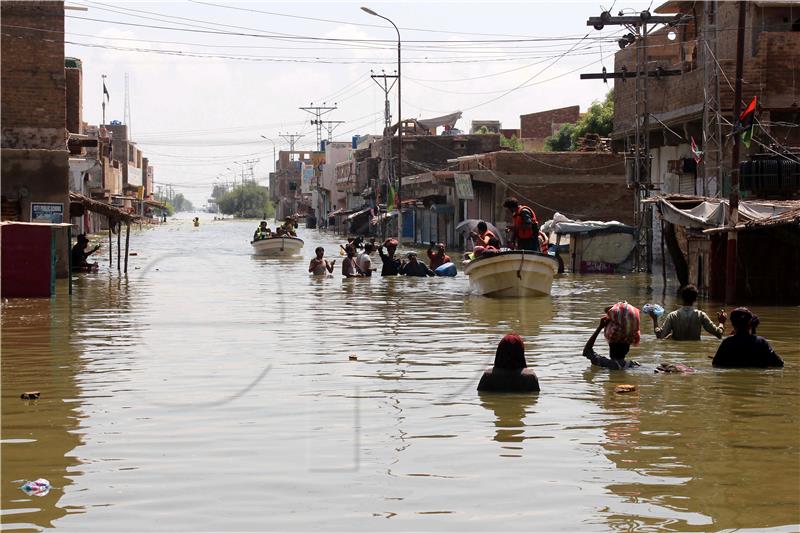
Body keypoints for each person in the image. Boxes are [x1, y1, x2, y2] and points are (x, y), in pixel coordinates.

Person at [712, 307, 784, 368]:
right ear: (750, 324)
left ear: (733, 324)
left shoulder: (727, 343)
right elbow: (779, 364)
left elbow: (715, 365)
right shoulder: (761, 342)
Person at [650, 285, 726, 341]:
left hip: (677, 354)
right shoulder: (701, 315)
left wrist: (655, 319)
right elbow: (718, 334)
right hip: (695, 353)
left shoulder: (673, 316)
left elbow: (660, 336)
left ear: (682, 298)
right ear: (696, 299)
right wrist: (721, 323)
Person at [582, 303, 641, 370]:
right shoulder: (633, 365)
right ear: (627, 350)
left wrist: (600, 327)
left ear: (610, 347)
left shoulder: (605, 363)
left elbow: (586, 351)